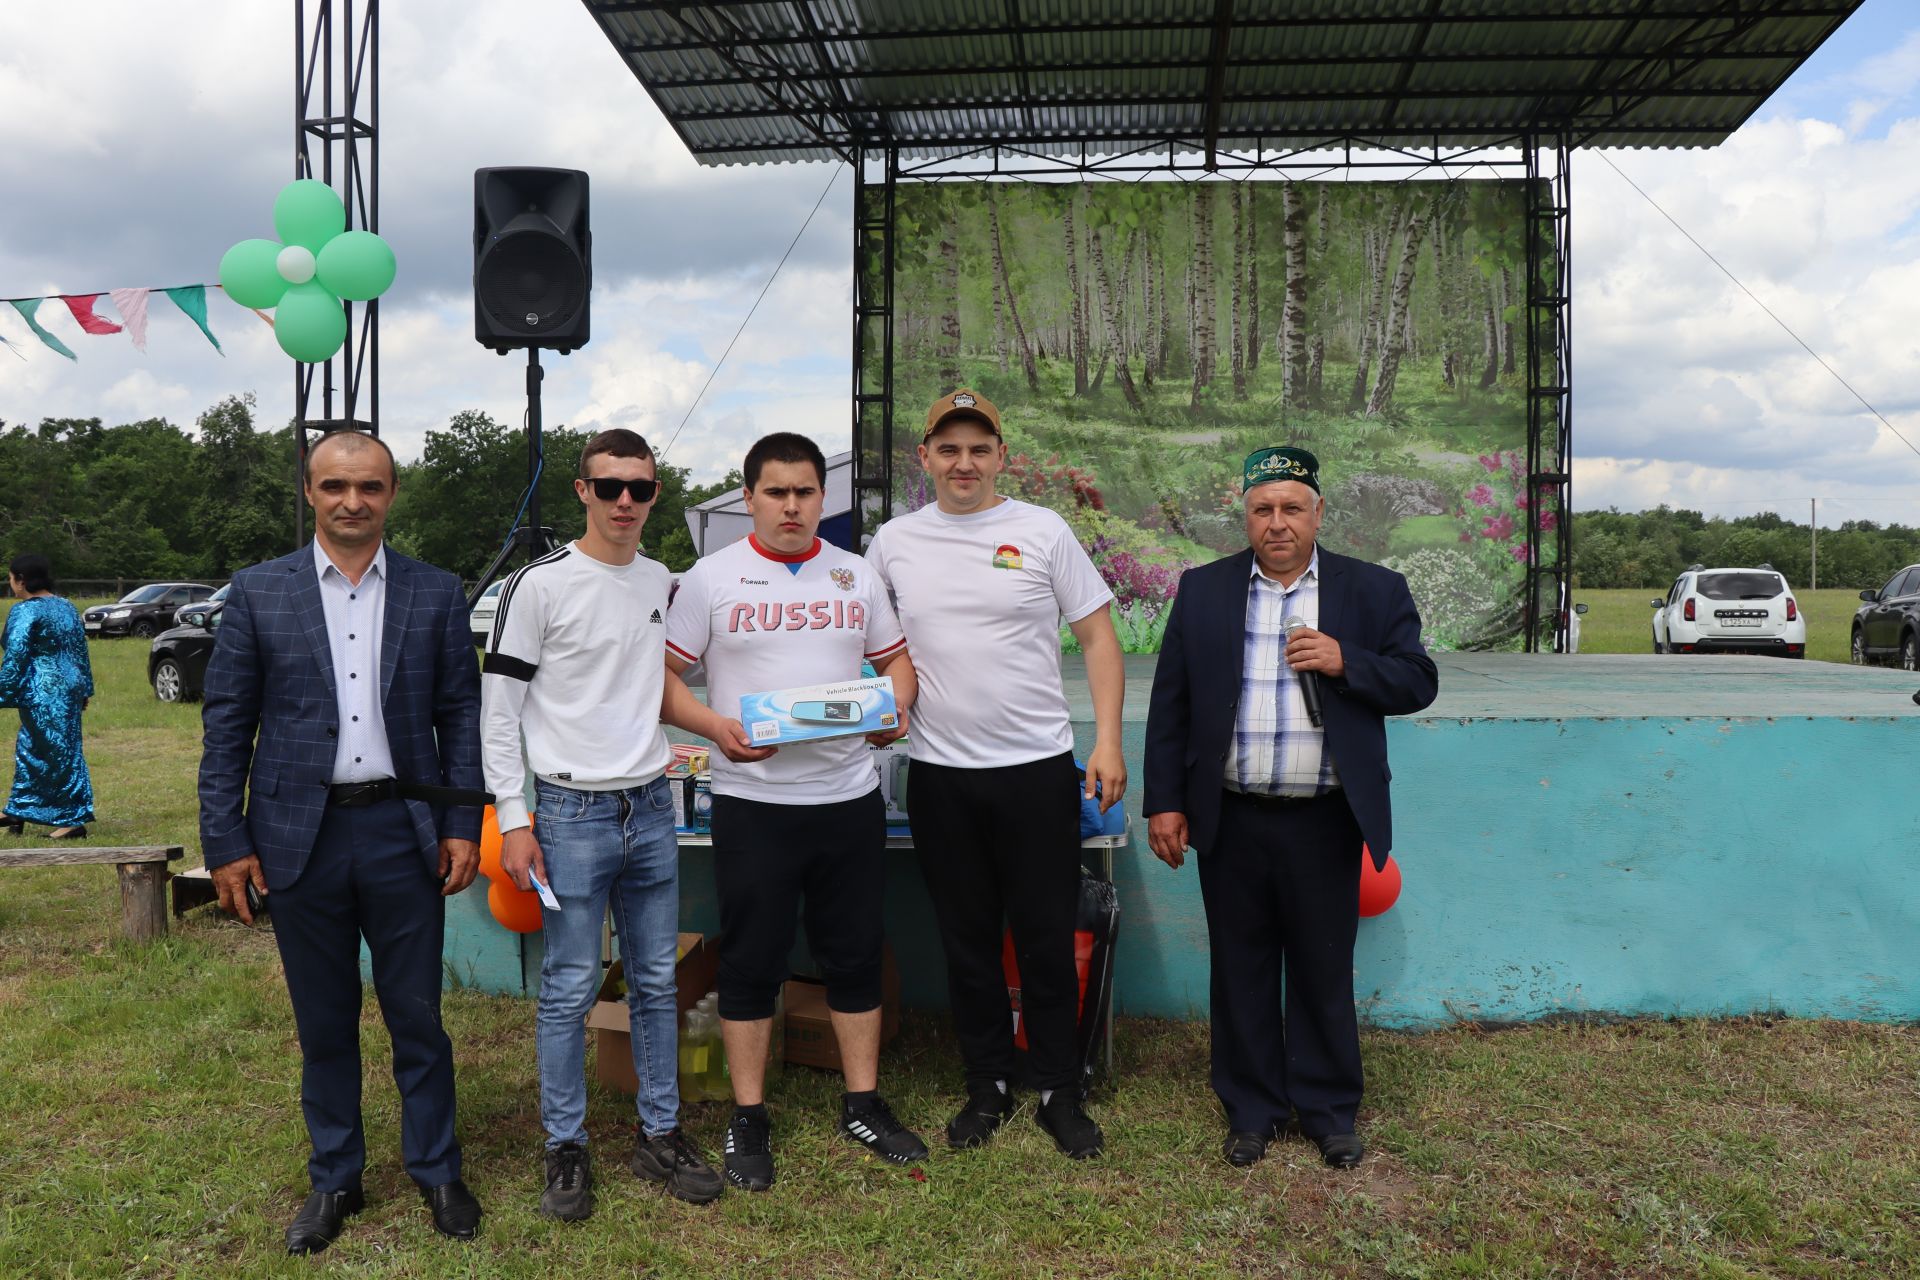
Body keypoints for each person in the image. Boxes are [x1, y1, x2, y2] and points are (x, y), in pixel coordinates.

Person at [199, 429, 486, 1253]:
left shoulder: (435, 592)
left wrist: (462, 822)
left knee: (417, 1016)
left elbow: (458, 716)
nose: (352, 502)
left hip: (405, 833)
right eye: (334, 487)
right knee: (324, 1023)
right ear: (310, 492)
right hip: (299, 836)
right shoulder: (259, 592)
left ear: (392, 493)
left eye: (369, 487)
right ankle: (336, 1178)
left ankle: (436, 1169)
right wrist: (225, 840)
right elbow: (228, 728)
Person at [1143, 446, 1437, 1171]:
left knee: (1321, 968)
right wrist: (1165, 804)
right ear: (1245, 516)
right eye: (1262, 509)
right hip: (1232, 816)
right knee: (1240, 968)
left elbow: (1418, 681)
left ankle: (1329, 1109)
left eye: (1291, 508)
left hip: (1324, 819)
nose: (1277, 523)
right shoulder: (1204, 590)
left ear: (1318, 513)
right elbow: (1171, 706)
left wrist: (1346, 661)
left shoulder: (1372, 591)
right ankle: (1251, 1110)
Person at [866, 389, 1126, 1160]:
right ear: (925, 458)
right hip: (941, 775)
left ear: (1002, 457)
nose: (964, 463)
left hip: (1038, 773)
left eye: (979, 448)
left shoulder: (1042, 531)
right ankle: (988, 1087)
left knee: (1045, 937)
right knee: (967, 940)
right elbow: (873, 647)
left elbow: (1100, 641)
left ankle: (1059, 1092)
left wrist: (1107, 742)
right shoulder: (894, 541)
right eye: (948, 449)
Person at [663, 431, 927, 1192]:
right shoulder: (710, 580)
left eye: (804, 492)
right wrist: (715, 727)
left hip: (847, 799)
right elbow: (665, 681)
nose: (790, 506)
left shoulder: (855, 574)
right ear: (748, 497)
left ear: (822, 498)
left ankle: (863, 1102)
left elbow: (896, 664)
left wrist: (895, 709)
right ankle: (749, 1115)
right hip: (753, 803)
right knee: (752, 959)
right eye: (775, 492)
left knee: (853, 951)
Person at [481, 428, 730, 1219]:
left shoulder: (661, 580)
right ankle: (567, 1146)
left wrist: (722, 728)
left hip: (652, 806)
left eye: (642, 488)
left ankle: (660, 1133)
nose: (626, 500)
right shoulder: (538, 586)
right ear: (582, 492)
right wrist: (512, 817)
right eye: (610, 486)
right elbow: (498, 712)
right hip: (568, 809)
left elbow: (661, 687)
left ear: (655, 496)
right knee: (568, 986)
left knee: (657, 981)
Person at [0, 553, 95, 839]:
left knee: (58, 752)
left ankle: (72, 819)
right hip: (69, 687)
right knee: (32, 747)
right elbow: (79, 649)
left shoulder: (26, 610)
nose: (10, 582)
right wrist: (84, 688)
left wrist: (3, 691)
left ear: (22, 580)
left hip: (43, 690)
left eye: (11, 577)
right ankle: (19, 809)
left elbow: (15, 655)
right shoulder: (67, 606)